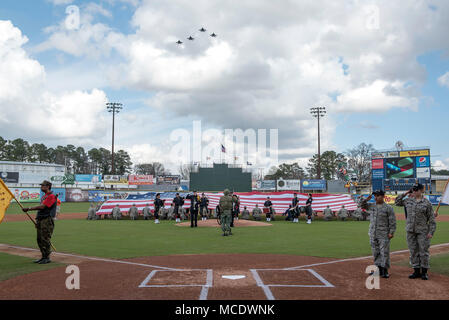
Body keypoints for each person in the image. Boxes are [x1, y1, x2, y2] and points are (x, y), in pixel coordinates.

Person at [395, 184, 436, 280]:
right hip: (410, 230)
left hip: (423, 231)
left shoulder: (427, 203)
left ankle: (424, 272)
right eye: (413, 189)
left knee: (423, 251)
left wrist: (431, 232)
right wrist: (406, 193)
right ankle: (416, 271)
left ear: (421, 190)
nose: (415, 191)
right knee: (413, 251)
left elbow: (432, 219)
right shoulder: (408, 201)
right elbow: (397, 202)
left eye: (417, 189)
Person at [360, 190, 396, 278]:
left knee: (384, 252)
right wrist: (365, 200)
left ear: (383, 196)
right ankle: (378, 269)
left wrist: (391, 232)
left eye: (378, 196)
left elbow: (392, 221)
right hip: (373, 233)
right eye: (375, 196)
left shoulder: (388, 208)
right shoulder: (372, 206)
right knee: (375, 252)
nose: (375, 197)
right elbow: (361, 205)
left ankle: (385, 270)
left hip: (384, 233)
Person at [21, 180, 56, 264]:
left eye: (43, 185)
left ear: (48, 186)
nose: (41, 187)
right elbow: (40, 210)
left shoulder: (51, 196)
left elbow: (43, 207)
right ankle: (43, 256)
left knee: (45, 239)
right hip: (41, 220)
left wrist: (29, 208)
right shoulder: (44, 196)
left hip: (47, 220)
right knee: (39, 239)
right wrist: (37, 220)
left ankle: (47, 257)